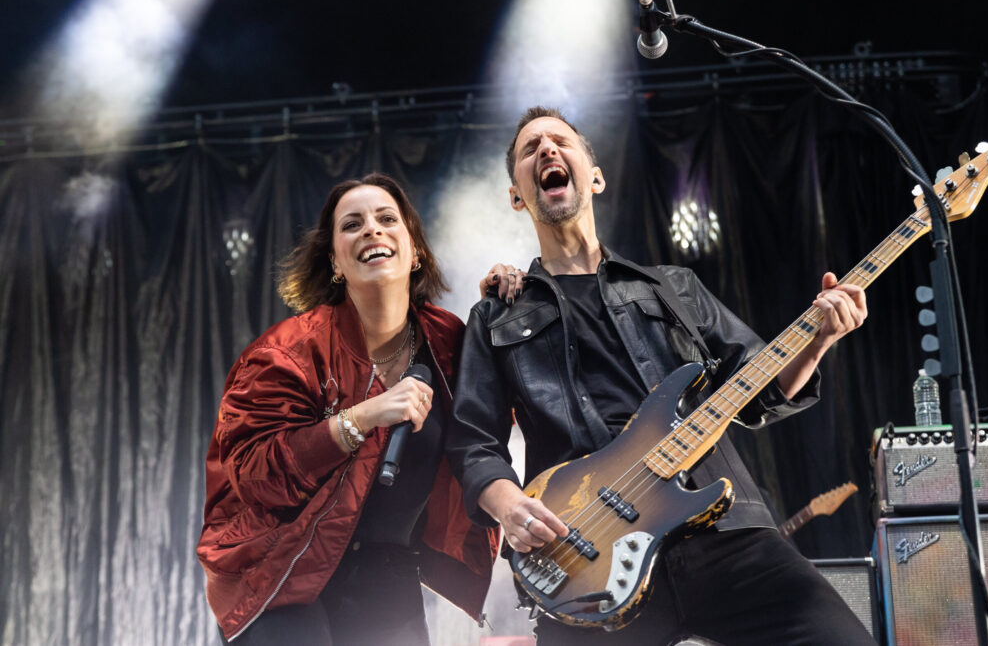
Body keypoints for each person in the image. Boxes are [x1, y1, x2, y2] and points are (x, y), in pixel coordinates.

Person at [446, 107, 876, 645]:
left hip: (721, 529)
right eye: (531, 149)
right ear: (517, 196)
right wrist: (509, 507)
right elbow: (473, 442)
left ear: (595, 177)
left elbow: (758, 389)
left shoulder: (674, 287)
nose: (547, 151)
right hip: (584, 552)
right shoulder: (497, 314)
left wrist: (819, 340)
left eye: (560, 141)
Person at [197, 173, 498, 645]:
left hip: (387, 572)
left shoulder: (449, 343)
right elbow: (256, 477)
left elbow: (496, 420)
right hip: (284, 572)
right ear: (335, 261)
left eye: (387, 219)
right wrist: (361, 417)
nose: (371, 229)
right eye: (352, 224)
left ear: (415, 251)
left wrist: (503, 313)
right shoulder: (287, 352)